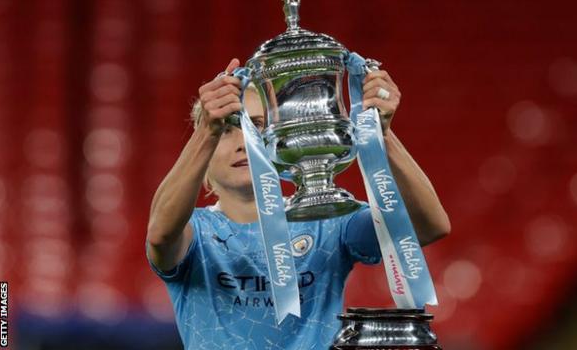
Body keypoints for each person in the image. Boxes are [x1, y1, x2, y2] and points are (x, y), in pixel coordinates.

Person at [146, 58, 451, 350]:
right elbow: (160, 234)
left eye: (257, 126)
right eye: (225, 129)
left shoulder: (324, 217)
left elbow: (428, 226)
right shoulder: (195, 233)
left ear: (280, 141)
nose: (242, 142)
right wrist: (205, 130)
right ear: (203, 160)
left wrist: (381, 134)